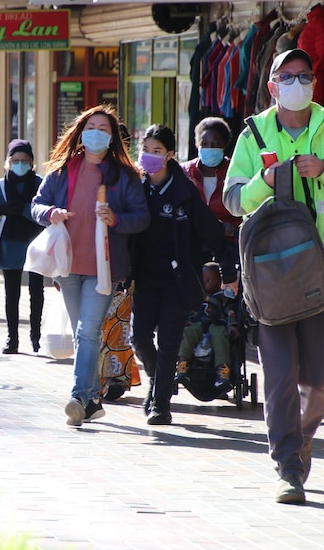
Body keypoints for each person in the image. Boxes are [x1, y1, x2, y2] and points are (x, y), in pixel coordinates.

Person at [222, 48, 324, 504]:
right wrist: (264, 183)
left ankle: (303, 436)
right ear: (271, 86)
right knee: (278, 375)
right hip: (269, 279)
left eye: (304, 75)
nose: (296, 82)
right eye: (286, 76)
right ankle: (288, 466)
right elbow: (233, 201)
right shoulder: (253, 134)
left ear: (315, 82)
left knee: (317, 377)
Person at [31, 105, 150, 427]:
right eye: (91, 126)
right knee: (85, 336)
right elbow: (36, 205)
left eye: (103, 128)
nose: (96, 132)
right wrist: (50, 213)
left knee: (86, 333)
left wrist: (116, 219)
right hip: (68, 266)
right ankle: (93, 402)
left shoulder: (124, 176)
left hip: (104, 268)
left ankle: (79, 396)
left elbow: (141, 217)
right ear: (81, 132)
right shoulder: (62, 171)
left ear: (112, 139)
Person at [130, 124, 226, 426]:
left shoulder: (184, 192)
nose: (149, 157)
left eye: (157, 151)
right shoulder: (136, 188)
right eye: (145, 150)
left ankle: (160, 404)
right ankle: (160, 375)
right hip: (144, 278)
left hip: (176, 280)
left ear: (170, 155)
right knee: (140, 337)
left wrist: (230, 267)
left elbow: (211, 232)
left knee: (170, 341)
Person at [0, 139, 44, 354]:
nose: (20, 164)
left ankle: (36, 335)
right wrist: (0, 209)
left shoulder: (40, 184)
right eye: (16, 160)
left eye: (24, 160)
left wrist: (25, 209)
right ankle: (12, 339)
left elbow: (47, 213)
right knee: (11, 294)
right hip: (9, 246)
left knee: (37, 291)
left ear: (32, 162)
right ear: (8, 162)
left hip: (36, 246)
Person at [182, 117, 241, 290]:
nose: (210, 148)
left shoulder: (235, 172)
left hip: (227, 244)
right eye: (205, 143)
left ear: (224, 146)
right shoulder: (185, 172)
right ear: (197, 145)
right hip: (193, 243)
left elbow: (245, 205)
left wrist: (233, 226)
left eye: (216, 144)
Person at [176, 262, 238, 393]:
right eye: (203, 279)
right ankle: (182, 364)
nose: (205, 283)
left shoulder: (223, 296)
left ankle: (223, 370)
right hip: (197, 323)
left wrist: (232, 325)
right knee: (188, 333)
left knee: (221, 335)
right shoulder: (197, 295)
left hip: (217, 324)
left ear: (219, 281)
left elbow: (230, 312)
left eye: (209, 280)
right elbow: (188, 310)